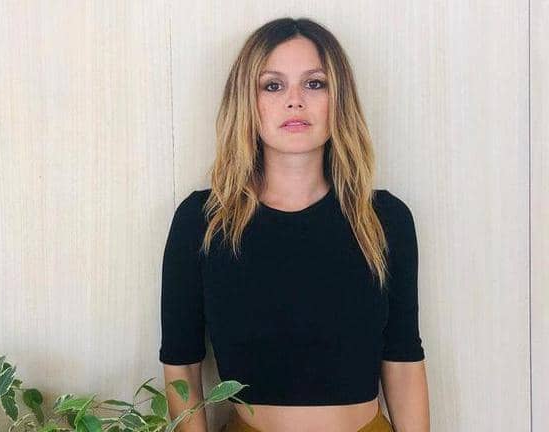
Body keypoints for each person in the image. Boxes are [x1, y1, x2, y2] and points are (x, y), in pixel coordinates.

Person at [159, 17, 430, 432]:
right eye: (273, 85)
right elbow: (181, 367)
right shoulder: (202, 222)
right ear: (247, 101)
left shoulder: (384, 220)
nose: (295, 101)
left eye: (314, 83)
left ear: (338, 99)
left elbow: (404, 362)